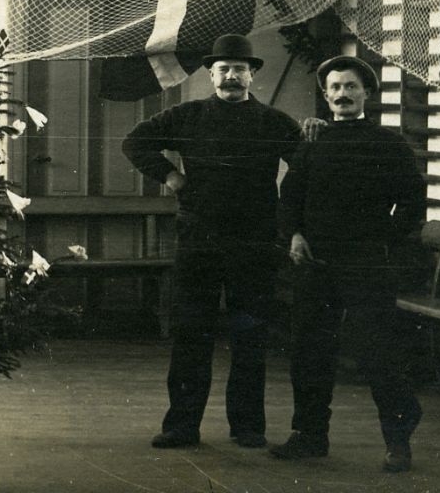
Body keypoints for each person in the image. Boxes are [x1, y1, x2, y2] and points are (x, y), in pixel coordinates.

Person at [122, 32, 304, 450]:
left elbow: (306, 166)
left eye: (239, 69)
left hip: (254, 242)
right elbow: (134, 142)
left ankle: (248, 427)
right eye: (223, 69)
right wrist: (170, 175)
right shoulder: (188, 115)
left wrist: (287, 209)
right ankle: (181, 426)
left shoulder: (274, 122)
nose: (231, 76)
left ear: (252, 74)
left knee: (250, 335)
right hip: (199, 240)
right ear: (211, 74)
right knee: (191, 333)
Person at [271, 54, 427, 473]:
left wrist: (383, 239)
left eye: (351, 87)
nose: (343, 94)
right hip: (316, 263)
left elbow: (413, 202)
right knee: (309, 349)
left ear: (366, 94)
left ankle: (398, 439)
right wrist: (295, 234)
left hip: (366, 265)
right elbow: (290, 197)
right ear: (326, 97)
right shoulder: (312, 142)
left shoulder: (388, 144)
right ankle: (309, 435)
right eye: (335, 88)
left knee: (377, 351)